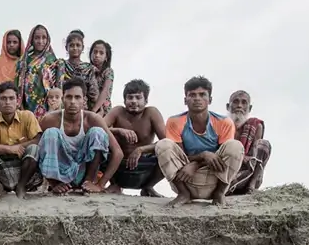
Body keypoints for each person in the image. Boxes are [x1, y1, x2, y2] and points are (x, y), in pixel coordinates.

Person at [156, 76, 245, 206]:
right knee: (163, 145)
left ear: (210, 99)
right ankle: (183, 194)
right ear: (185, 100)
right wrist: (203, 155)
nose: (197, 98)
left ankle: (219, 194)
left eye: (202, 94)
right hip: (185, 179)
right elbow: (181, 156)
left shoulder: (224, 122)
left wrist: (197, 163)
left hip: (215, 179)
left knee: (235, 146)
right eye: (192, 95)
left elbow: (223, 156)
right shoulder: (175, 121)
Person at [37, 78, 121, 194]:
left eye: (77, 97)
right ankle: (56, 184)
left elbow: (118, 153)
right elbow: (37, 150)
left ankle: (88, 183)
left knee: (97, 133)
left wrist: (100, 184)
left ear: (84, 100)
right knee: (50, 133)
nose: (72, 101)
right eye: (69, 97)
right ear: (63, 99)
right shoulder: (50, 119)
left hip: (83, 173)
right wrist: (52, 182)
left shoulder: (92, 119)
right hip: (59, 176)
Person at [0, 81, 44, 201]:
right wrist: (8, 149)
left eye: (11, 98)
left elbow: (37, 139)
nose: (8, 102)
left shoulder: (27, 116)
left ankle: (21, 187)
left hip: (23, 169)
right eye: (3, 98)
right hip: (1, 168)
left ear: (18, 101)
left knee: (34, 149)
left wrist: (19, 147)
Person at [104, 79, 166, 196]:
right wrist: (118, 130)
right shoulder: (118, 111)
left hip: (144, 165)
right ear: (124, 100)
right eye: (130, 97)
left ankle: (149, 187)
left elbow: (166, 142)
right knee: (97, 140)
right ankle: (114, 184)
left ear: (146, 100)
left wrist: (141, 150)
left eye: (138, 98)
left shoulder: (151, 113)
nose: (133, 101)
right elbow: (99, 128)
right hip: (117, 165)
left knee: (169, 150)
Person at [226, 90, 271, 195]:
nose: (239, 106)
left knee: (264, 144)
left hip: (246, 172)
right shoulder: (221, 125)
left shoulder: (255, 125)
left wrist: (244, 158)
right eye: (236, 102)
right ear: (228, 106)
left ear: (249, 108)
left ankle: (251, 187)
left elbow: (255, 154)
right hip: (226, 170)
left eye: (244, 102)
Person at [16, 24, 59, 119]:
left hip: (48, 102)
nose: (40, 41)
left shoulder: (52, 59)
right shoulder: (24, 60)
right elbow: (18, 83)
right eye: (37, 38)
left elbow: (57, 84)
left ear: (48, 39)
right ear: (32, 39)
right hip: (28, 102)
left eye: (44, 38)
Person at [0, 29, 23, 102]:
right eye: (8, 42)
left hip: (21, 105)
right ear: (4, 43)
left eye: (15, 42)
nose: (11, 45)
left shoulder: (24, 63)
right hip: (2, 104)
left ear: (20, 44)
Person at [88, 40, 114, 114]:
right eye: (95, 52)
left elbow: (105, 91)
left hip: (103, 109)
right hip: (88, 108)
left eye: (101, 53)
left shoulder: (108, 71)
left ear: (106, 57)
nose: (97, 55)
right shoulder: (87, 70)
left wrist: (94, 110)